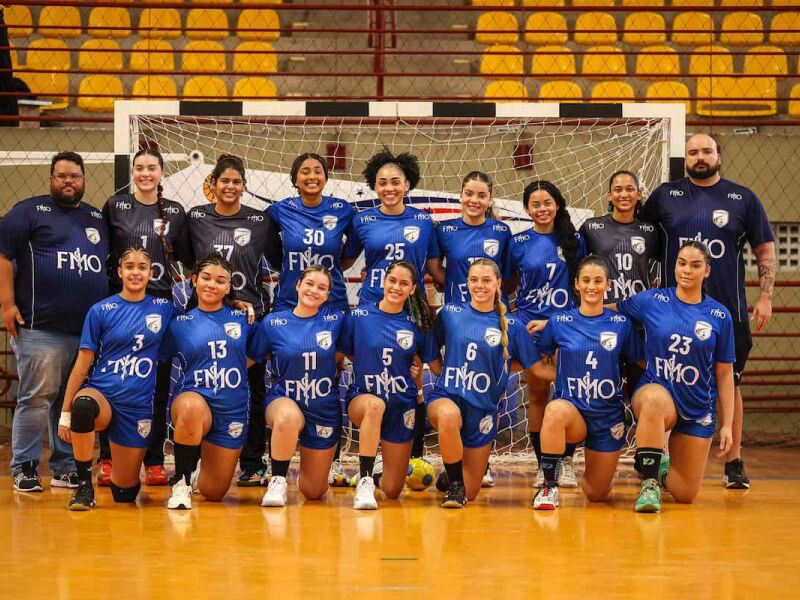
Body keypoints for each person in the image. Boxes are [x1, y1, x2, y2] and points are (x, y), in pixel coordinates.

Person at [640, 133, 776, 489]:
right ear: (685, 158)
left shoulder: (743, 198)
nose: (700, 157)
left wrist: (765, 297)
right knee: (665, 380)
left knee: (730, 381)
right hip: (673, 313)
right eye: (693, 152)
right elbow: (641, 242)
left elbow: (764, 250)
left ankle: (734, 462)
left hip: (727, 313)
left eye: (707, 151)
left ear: (719, 155)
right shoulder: (664, 196)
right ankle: (660, 458)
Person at [0, 151, 109, 492]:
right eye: (61, 175)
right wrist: (6, 303)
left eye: (74, 176)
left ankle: (65, 467)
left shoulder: (95, 218)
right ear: (51, 179)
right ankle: (25, 467)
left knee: (71, 400)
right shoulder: (29, 211)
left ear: (83, 180)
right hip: (40, 327)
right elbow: (3, 255)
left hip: (85, 333)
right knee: (36, 397)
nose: (68, 181)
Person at [615, 241, 735, 513]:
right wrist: (561, 322)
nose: (687, 270)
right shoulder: (653, 300)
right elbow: (609, 311)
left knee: (685, 494)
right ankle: (649, 483)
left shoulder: (719, 315)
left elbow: (725, 373)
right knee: (655, 400)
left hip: (697, 407)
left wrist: (727, 424)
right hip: (657, 393)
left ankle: (660, 468)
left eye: (695, 265)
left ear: (707, 271)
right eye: (682, 263)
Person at [186, 154, 282, 488]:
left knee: (251, 389)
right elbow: (190, 261)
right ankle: (197, 460)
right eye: (224, 181)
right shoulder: (196, 217)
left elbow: (276, 260)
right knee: (201, 385)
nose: (230, 186)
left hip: (248, 317)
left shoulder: (259, 221)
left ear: (244, 186)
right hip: (207, 316)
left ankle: (253, 463)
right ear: (212, 184)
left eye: (236, 181)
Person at [57, 248, 176, 510]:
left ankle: (125, 480)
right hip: (104, 395)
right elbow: (82, 363)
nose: (136, 272)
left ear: (151, 273)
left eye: (142, 267)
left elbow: (196, 318)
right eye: (130, 267)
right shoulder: (101, 310)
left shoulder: (164, 308)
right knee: (84, 406)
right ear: (120, 272)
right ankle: (84, 487)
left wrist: (236, 305)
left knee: (124, 493)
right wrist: (66, 412)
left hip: (137, 406)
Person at [99, 148, 190, 487]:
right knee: (111, 378)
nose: (145, 173)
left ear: (162, 172)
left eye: (152, 168)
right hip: (120, 303)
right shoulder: (115, 205)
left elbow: (187, 257)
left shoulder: (176, 212)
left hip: (160, 305)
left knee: (156, 382)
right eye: (140, 168)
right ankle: (106, 458)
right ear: (133, 172)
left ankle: (153, 460)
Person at [427, 259, 551, 508]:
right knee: (449, 416)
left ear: (498, 283)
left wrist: (569, 372)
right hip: (446, 397)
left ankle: (451, 476)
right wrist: (445, 375)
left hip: (483, 410)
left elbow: (534, 368)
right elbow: (432, 353)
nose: (479, 286)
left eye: (486, 280)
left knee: (473, 494)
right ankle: (455, 485)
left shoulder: (512, 326)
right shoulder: (451, 313)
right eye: (474, 280)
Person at [532, 255, 641, 510]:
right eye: (586, 281)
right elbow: (538, 363)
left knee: (596, 494)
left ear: (608, 285)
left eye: (598, 281)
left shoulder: (621, 324)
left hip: (608, 417)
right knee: (555, 410)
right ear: (577, 285)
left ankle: (600, 473)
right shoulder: (560, 322)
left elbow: (639, 363)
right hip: (573, 413)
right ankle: (549, 486)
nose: (592, 286)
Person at [428, 170, 513, 488]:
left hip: (489, 317)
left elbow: (508, 273)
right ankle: (453, 464)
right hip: (458, 321)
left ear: (489, 199)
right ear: (460, 195)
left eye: (481, 195)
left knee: (485, 385)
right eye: (469, 193)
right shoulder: (446, 230)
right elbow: (436, 269)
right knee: (456, 388)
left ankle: (480, 460)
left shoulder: (501, 231)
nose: (474, 200)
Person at [159, 253, 260, 510]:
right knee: (192, 408)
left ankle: (199, 467)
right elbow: (160, 357)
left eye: (220, 281)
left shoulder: (243, 318)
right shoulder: (179, 323)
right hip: (194, 400)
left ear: (228, 287)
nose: (211, 285)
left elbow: (257, 354)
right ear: (194, 280)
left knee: (213, 493)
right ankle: (181, 484)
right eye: (206, 278)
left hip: (232, 409)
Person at [339, 260, 441, 509]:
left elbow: (437, 368)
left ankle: (375, 473)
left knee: (393, 490)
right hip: (364, 399)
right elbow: (343, 354)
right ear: (383, 282)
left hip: (401, 404)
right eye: (392, 280)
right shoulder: (360, 316)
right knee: (375, 405)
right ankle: (364, 481)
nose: (396, 287)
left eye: (404, 283)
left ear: (413, 288)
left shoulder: (417, 324)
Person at [508, 180, 586, 488]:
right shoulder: (517, 243)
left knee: (569, 394)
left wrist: (560, 321)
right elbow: (508, 285)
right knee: (538, 395)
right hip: (529, 325)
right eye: (535, 204)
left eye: (547, 203)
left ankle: (566, 460)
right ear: (527, 209)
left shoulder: (575, 240)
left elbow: (583, 285)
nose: (542, 209)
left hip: (566, 325)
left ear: (558, 204)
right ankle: (544, 465)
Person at [252, 266, 347, 507]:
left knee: (313, 491)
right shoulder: (274, 322)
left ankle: (305, 478)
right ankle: (278, 481)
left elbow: (350, 352)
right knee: (287, 417)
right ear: (297, 285)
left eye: (321, 287)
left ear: (327, 295)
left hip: (323, 407)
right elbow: (250, 358)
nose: (314, 290)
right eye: (309, 284)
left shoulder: (336, 320)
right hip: (285, 397)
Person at [342, 148, 440, 306]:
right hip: (372, 302)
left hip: (412, 304)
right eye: (382, 183)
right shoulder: (361, 220)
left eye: (395, 182)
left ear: (406, 185)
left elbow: (434, 269)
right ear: (375, 186)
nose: (389, 188)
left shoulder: (424, 221)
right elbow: (344, 262)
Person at [267, 152, 357, 312]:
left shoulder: (343, 210)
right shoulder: (281, 209)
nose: (312, 176)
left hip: (332, 303)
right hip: (289, 302)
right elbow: (262, 235)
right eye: (305, 171)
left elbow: (357, 244)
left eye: (317, 171)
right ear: (295, 179)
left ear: (326, 177)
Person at [579, 170, 659, 303]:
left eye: (630, 189)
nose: (624, 194)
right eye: (618, 190)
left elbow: (661, 259)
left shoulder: (650, 231)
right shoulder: (591, 227)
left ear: (638, 194)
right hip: (603, 309)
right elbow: (576, 263)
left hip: (638, 309)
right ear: (609, 195)